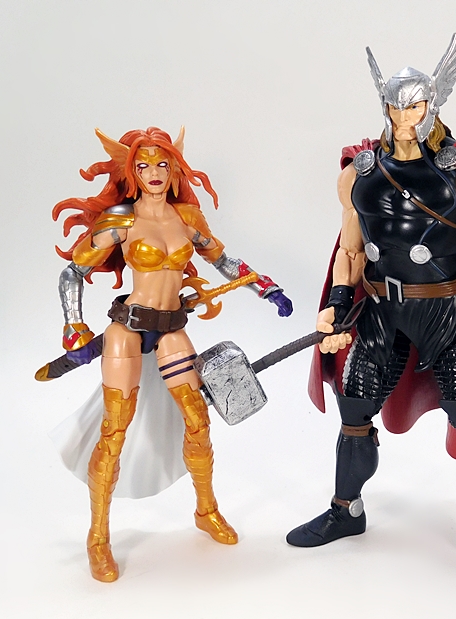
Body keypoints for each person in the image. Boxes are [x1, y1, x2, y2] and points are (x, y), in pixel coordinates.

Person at [286, 35, 456, 596]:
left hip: (448, 313)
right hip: (380, 312)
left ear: (433, 105)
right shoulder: (360, 175)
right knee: (354, 412)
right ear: (383, 106)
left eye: (415, 106)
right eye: (394, 106)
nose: (404, 118)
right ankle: (346, 510)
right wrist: (336, 307)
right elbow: (351, 250)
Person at [51, 126, 292, 582]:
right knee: (114, 432)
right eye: (143, 166)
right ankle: (98, 537)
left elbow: (224, 261)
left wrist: (265, 287)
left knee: (198, 421)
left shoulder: (186, 218)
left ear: (174, 168)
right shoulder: (120, 220)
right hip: (127, 331)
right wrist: (74, 329)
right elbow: (72, 273)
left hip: (172, 330)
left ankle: (206, 510)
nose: (154, 173)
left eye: (162, 164)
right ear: (132, 173)